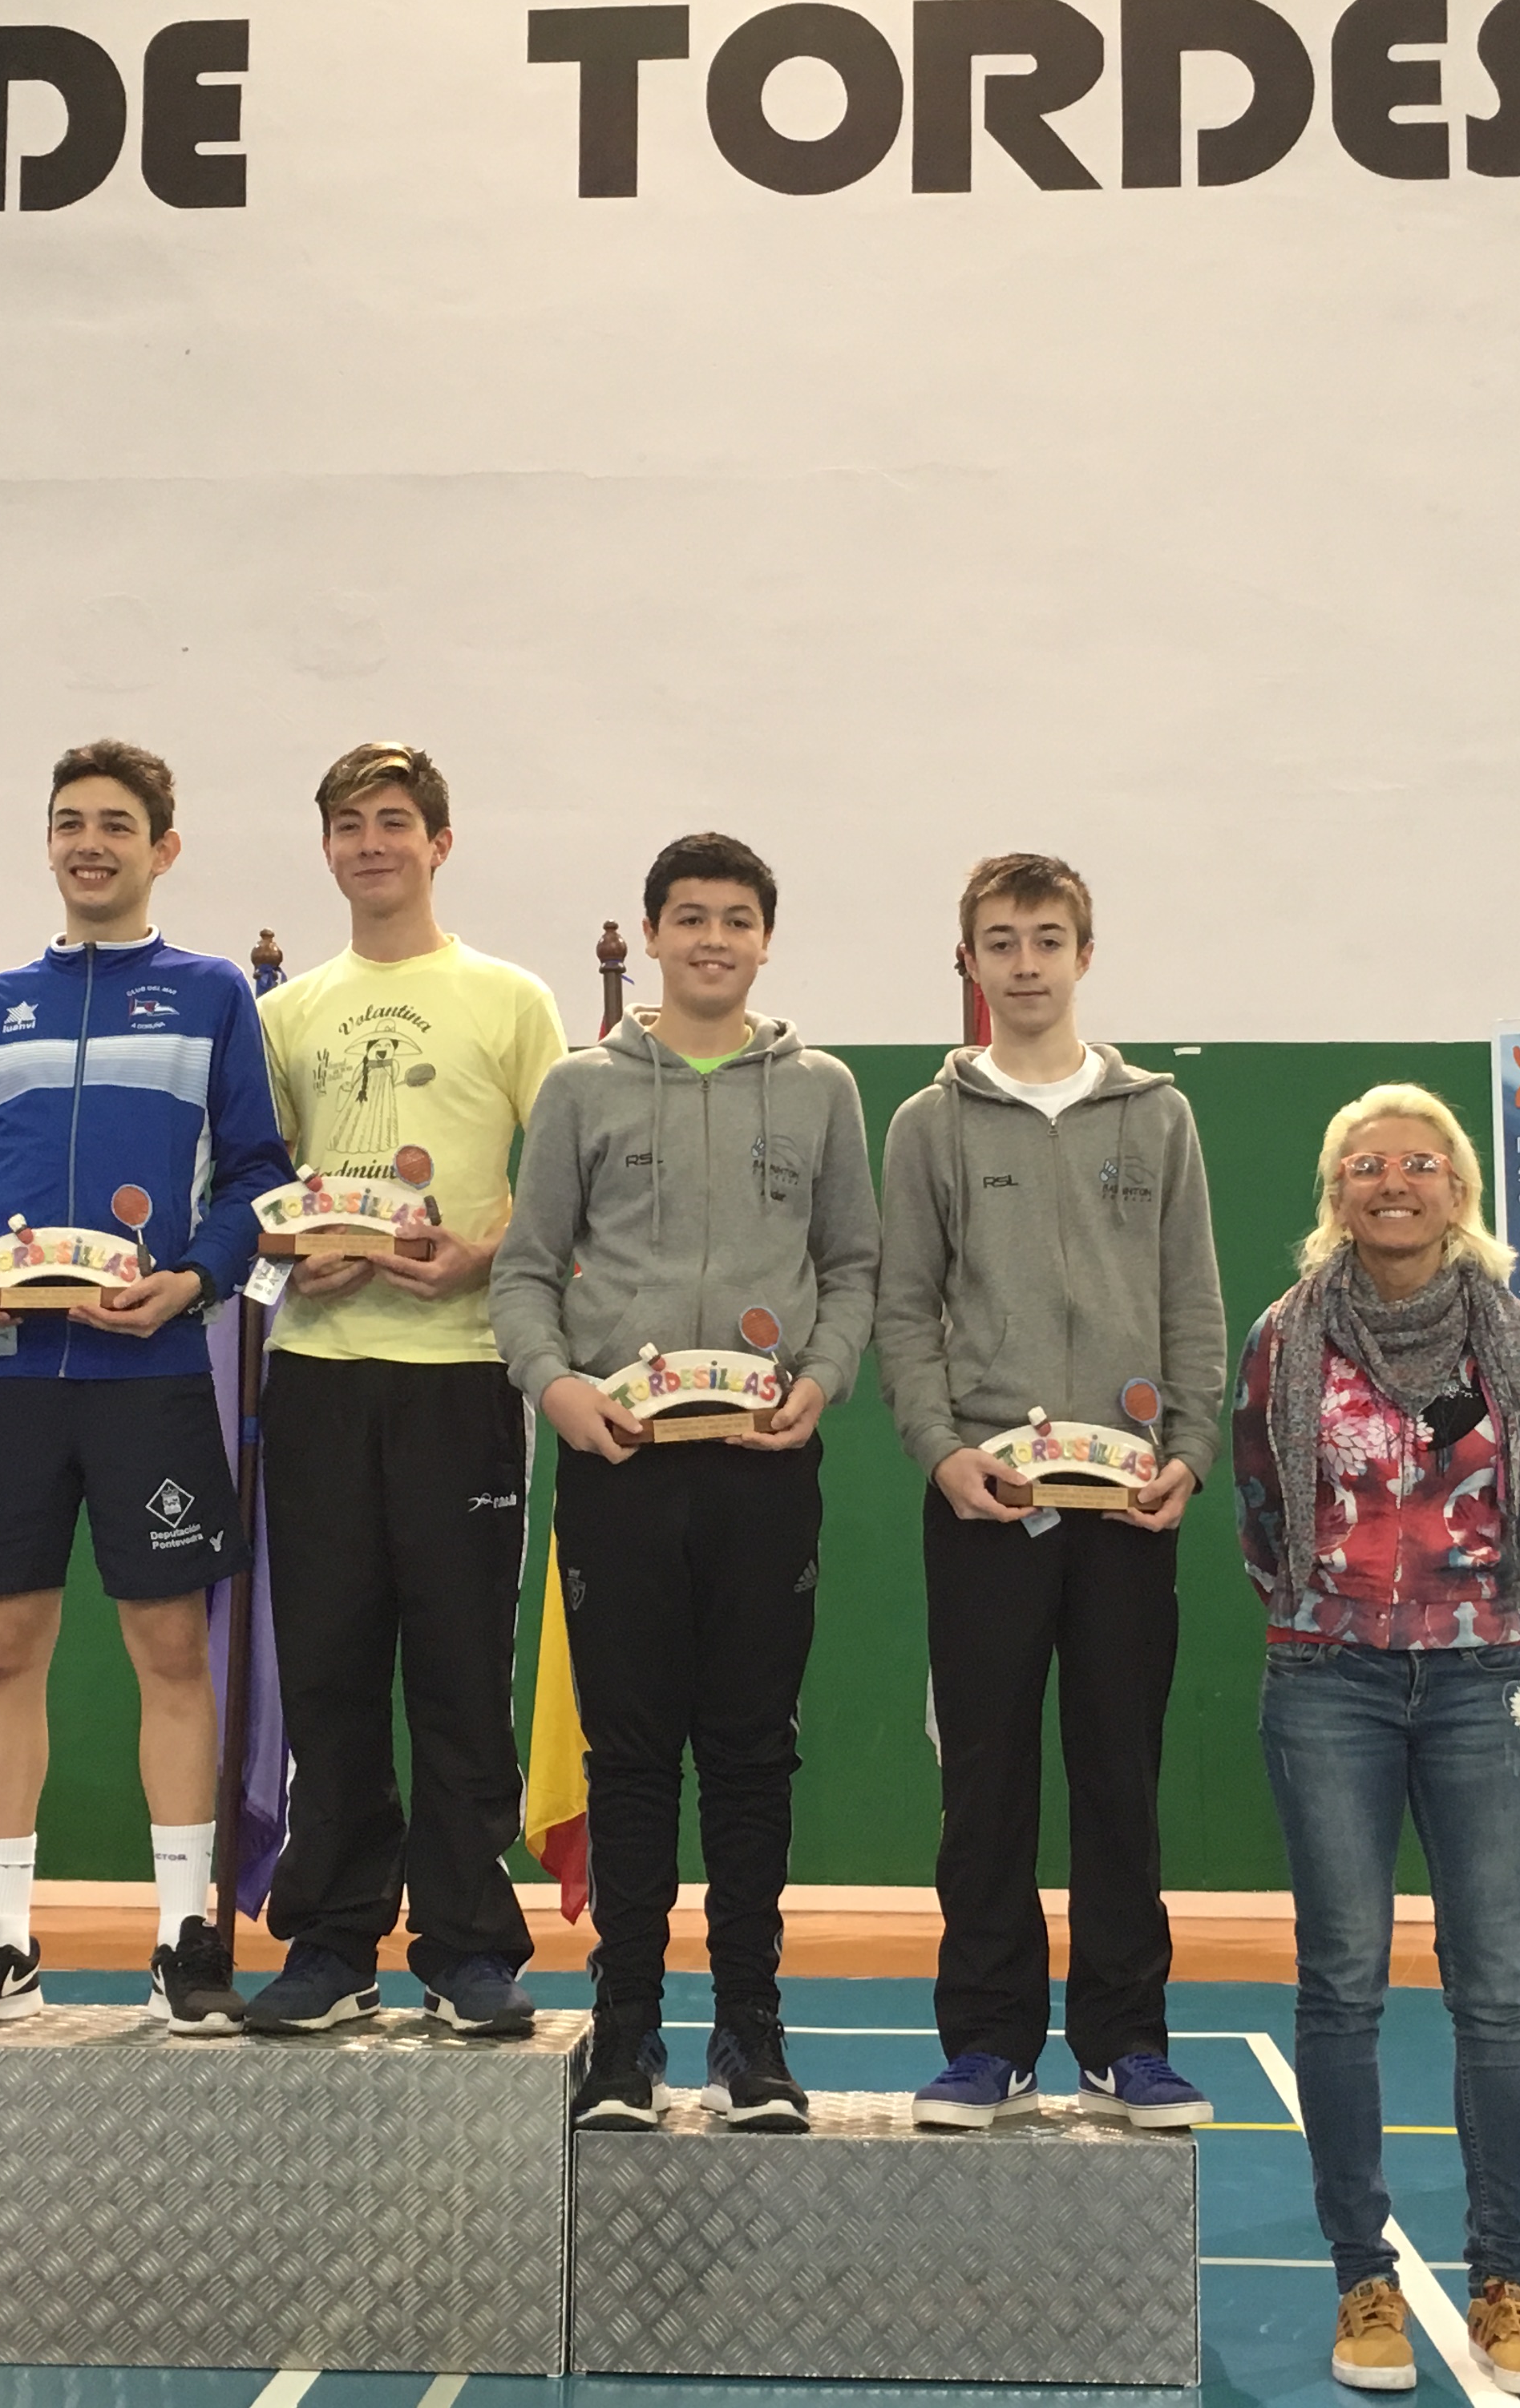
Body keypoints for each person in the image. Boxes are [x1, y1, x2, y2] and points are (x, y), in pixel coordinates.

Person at [0, 740, 291, 2038]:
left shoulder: (211, 996)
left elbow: (257, 1174)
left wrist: (195, 1282)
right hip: (8, 1377)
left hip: (152, 1371)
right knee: (6, 1649)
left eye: (118, 824)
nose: (91, 843)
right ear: (49, 843)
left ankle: (184, 1936)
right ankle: (4, 1936)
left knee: (170, 1650)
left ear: (163, 848)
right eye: (71, 822)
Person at [492, 832, 879, 2131]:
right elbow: (525, 1272)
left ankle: (751, 2034)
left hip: (767, 1470)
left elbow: (855, 1266)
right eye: (691, 917)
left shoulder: (820, 1090)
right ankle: (626, 2035)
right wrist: (558, 1389)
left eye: (737, 919)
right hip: (622, 1467)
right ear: (651, 934)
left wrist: (822, 1379)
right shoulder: (581, 1088)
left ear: (766, 939)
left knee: (754, 1757)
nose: (713, 939)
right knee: (630, 1755)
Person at [1231, 1084, 1520, 2398]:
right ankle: (1362, 2282)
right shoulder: (1284, 1337)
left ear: (1458, 1188)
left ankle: (1502, 2283)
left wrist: (1468, 1615)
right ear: (1336, 1190)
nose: (1394, 1182)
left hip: (1484, 1679)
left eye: (1420, 1163)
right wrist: (1329, 1613)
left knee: (1495, 1989)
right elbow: (1261, 1504)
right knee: (1343, 1984)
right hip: (1328, 1681)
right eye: (1367, 1163)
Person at [872, 853, 1227, 2132]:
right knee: (986, 1782)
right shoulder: (928, 1124)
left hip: (1128, 1505)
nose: (1024, 963)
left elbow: (1193, 1301)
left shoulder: (1160, 1118)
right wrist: (940, 1451)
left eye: (1046, 938)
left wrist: (1189, 1448)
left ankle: (1127, 2042)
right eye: (1001, 941)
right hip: (988, 1499)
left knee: (1119, 1778)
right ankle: (988, 2042)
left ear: (1085, 952)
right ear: (968, 960)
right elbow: (903, 1312)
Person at [245, 742, 568, 2037]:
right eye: (348, 824)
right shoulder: (287, 1015)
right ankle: (331, 1941)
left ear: (440, 842)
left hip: (463, 1376)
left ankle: (468, 1941)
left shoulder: (511, 999)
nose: (371, 843)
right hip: (320, 1374)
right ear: (327, 848)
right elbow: (252, 1188)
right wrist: (290, 1253)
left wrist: (483, 1255)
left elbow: (567, 1181)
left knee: (456, 1666)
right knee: (326, 1669)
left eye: (393, 821)